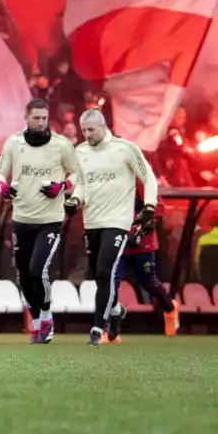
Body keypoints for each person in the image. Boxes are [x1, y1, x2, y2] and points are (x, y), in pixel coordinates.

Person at [0, 98, 82, 344]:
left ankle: (45, 316)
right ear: (26, 118)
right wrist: (2, 186)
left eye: (44, 117)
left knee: (37, 269)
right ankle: (36, 320)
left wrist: (62, 187)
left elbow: (77, 174)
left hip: (50, 220)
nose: (42, 122)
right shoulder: (14, 143)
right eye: (37, 118)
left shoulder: (62, 145)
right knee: (23, 275)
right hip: (21, 218)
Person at [66, 108, 158, 347]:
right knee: (99, 276)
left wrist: (149, 206)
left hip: (118, 221)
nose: (87, 134)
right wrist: (75, 200)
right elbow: (81, 184)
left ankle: (97, 329)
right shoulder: (81, 151)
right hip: (92, 221)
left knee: (106, 271)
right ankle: (116, 311)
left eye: (91, 129)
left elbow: (148, 177)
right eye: (84, 130)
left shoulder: (125, 148)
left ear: (103, 126)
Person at [115, 195, 179, 340]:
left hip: (143, 244)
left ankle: (169, 307)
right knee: (111, 282)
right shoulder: (111, 182)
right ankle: (110, 331)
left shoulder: (142, 180)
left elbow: (160, 208)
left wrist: (140, 226)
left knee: (148, 282)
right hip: (118, 242)